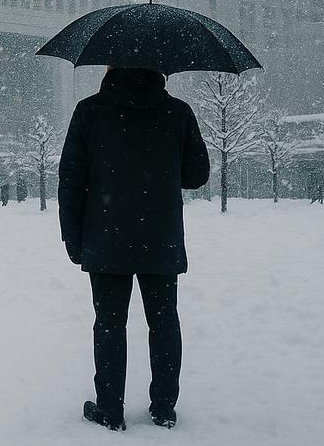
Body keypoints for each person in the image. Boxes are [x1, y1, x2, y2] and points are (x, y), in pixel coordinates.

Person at [58, 67, 210, 432]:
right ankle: (163, 408)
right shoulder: (178, 113)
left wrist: (73, 238)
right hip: (160, 236)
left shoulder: (89, 112)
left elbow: (71, 181)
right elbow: (197, 175)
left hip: (106, 237)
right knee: (164, 322)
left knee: (110, 324)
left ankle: (110, 408)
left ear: (109, 67)